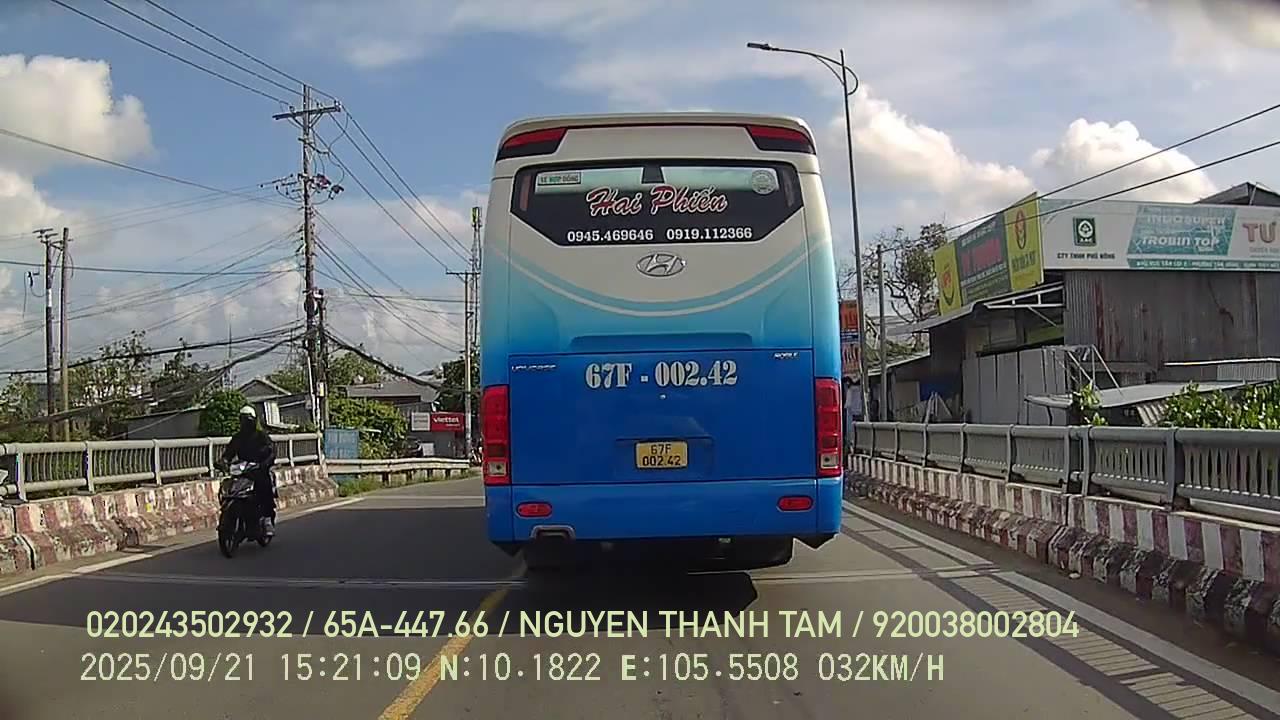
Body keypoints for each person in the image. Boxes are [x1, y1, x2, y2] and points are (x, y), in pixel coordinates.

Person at [220, 405, 277, 536]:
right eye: (243, 419)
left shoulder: (261, 436)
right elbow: (228, 453)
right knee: (227, 488)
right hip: (242, 471)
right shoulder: (238, 438)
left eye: (247, 420)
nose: (245, 423)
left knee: (264, 485)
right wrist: (223, 462)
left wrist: (264, 463)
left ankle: (267, 519)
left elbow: (271, 451)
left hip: (258, 470)